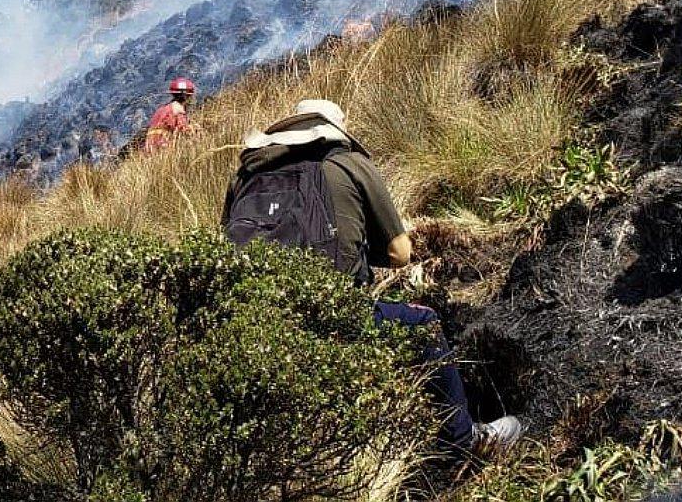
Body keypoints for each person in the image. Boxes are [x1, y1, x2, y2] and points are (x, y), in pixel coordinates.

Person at [221, 99, 524, 455]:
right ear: (333, 130)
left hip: (247, 325)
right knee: (422, 324)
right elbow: (400, 253)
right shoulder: (348, 163)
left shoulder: (245, 176)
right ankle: (462, 441)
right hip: (333, 317)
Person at [143, 78, 195, 152]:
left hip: (149, 150)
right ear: (186, 96)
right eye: (190, 95)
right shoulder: (178, 110)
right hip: (163, 150)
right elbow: (186, 132)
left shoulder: (161, 109)